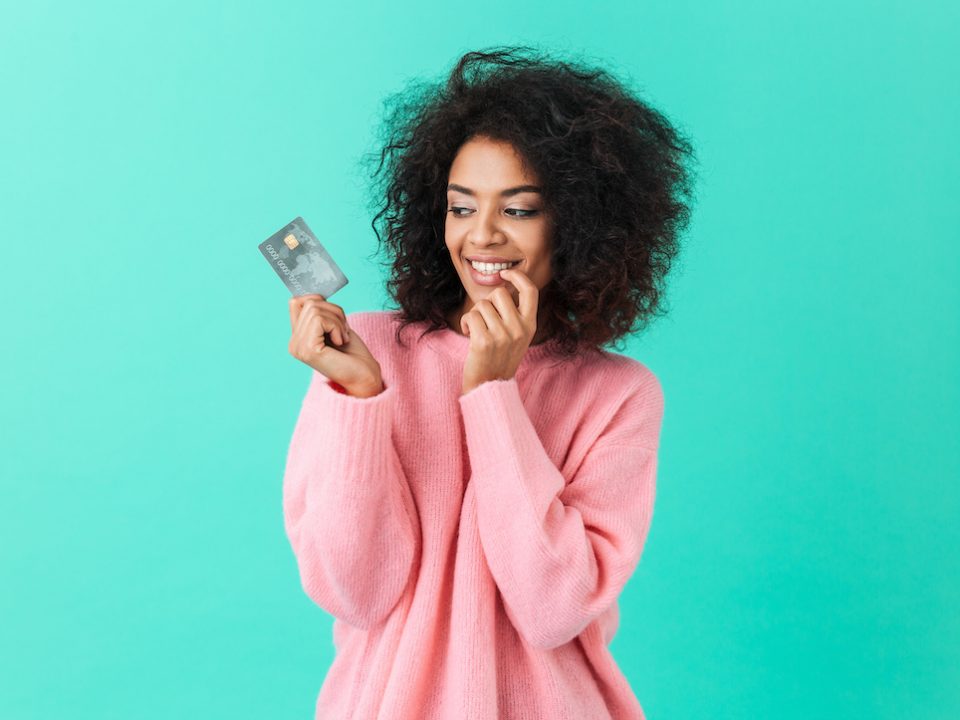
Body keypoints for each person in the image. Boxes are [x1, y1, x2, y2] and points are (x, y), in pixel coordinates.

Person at [282, 45, 698, 720]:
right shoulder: (368, 350)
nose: (483, 237)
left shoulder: (619, 394)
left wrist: (492, 394)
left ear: (580, 223)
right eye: (462, 206)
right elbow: (353, 592)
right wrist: (361, 399)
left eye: (520, 209)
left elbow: (552, 609)